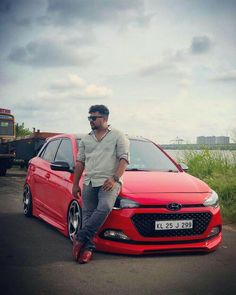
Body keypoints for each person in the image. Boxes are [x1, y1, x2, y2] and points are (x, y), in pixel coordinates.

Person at [72, 105, 130, 264]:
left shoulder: (118, 135)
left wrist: (114, 178)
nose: (90, 120)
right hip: (89, 181)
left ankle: (80, 237)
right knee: (88, 216)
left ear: (105, 118)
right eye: (89, 117)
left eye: (93, 118)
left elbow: (124, 159)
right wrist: (75, 184)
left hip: (109, 182)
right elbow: (80, 162)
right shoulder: (86, 139)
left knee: (104, 207)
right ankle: (88, 249)